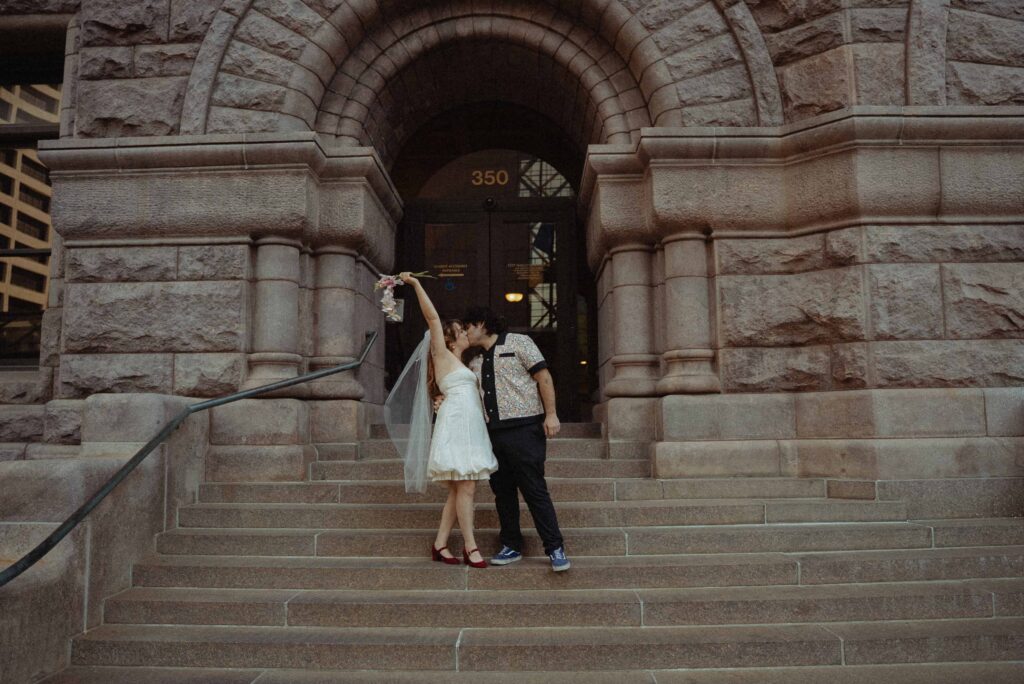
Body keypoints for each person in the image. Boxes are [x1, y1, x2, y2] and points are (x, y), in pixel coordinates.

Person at [383, 273, 497, 568]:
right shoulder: (442, 354)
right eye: (461, 330)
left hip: (470, 426)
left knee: (461, 488)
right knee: (467, 487)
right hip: (456, 424)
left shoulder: (468, 363)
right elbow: (433, 319)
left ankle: (440, 543)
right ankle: (470, 547)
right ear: (449, 338)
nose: (465, 333)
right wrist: (416, 285)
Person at [462, 307, 571, 572]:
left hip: (525, 429)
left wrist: (552, 415)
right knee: (503, 492)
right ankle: (511, 544)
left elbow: (543, 376)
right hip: (492, 433)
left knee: (534, 489)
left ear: (481, 323)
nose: (465, 332)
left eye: (468, 327)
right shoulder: (475, 360)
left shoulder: (519, 342)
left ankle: (555, 547)